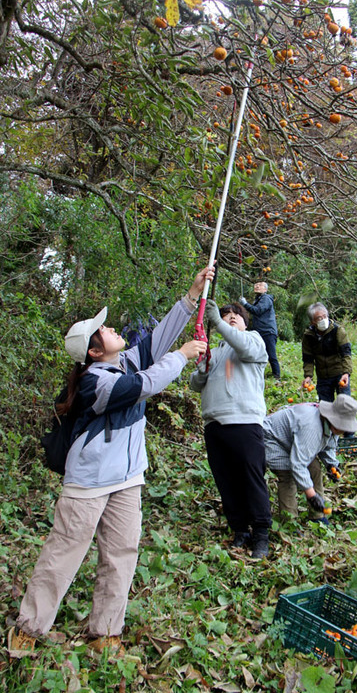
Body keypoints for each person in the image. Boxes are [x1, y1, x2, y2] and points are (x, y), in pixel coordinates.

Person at [7, 268, 212, 657]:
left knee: (121, 553)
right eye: (103, 331)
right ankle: (29, 628)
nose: (113, 327)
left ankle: (105, 632)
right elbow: (142, 386)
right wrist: (182, 357)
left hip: (128, 478)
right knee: (64, 552)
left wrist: (190, 297)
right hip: (88, 482)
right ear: (94, 352)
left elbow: (156, 342)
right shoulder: (95, 382)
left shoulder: (123, 362)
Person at [189, 300, 272, 559]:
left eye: (237, 315)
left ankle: (260, 533)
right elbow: (195, 384)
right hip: (214, 423)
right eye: (226, 315)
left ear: (246, 322)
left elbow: (244, 347)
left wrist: (219, 323)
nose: (232, 317)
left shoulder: (254, 340)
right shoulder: (214, 351)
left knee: (251, 478)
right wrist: (201, 370)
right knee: (226, 480)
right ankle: (239, 529)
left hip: (244, 421)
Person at [264, 395, 357, 524]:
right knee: (288, 476)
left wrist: (331, 465)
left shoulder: (333, 426)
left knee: (315, 468)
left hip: (292, 440)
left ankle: (317, 515)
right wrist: (311, 495)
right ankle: (289, 521)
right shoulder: (312, 427)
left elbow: (328, 445)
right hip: (272, 439)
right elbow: (297, 464)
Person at [302, 302, 353, 402]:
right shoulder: (309, 336)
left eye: (325, 316)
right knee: (325, 407)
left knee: (344, 405)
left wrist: (346, 373)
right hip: (323, 376)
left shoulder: (338, 331)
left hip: (339, 373)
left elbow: (346, 353)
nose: (323, 320)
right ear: (313, 322)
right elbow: (308, 358)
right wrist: (308, 376)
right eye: (319, 318)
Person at [240, 281, 281, 380]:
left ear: (265, 289)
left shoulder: (266, 298)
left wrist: (245, 304)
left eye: (260, 285)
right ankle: (257, 374)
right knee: (257, 353)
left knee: (271, 355)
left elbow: (258, 311)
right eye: (256, 285)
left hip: (267, 331)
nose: (257, 286)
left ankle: (277, 376)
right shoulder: (258, 299)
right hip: (260, 331)